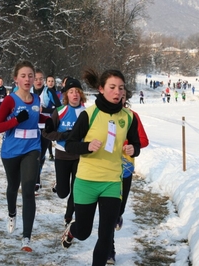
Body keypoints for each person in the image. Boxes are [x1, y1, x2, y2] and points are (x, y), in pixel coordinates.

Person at [61, 69, 141, 266]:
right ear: (101, 89)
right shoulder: (89, 114)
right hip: (86, 181)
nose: (117, 92)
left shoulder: (129, 117)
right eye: (112, 87)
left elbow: (137, 145)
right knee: (84, 232)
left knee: (105, 235)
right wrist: (86, 147)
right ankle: (73, 230)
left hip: (112, 182)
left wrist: (133, 149)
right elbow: (70, 144)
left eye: (121, 88)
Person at [0, 60, 54, 252]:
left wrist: (50, 121)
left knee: (28, 189)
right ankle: (12, 213)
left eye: (31, 76)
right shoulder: (11, 100)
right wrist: (15, 120)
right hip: (11, 151)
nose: (28, 79)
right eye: (24, 76)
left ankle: (26, 238)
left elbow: (37, 118)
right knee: (13, 186)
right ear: (16, 79)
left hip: (32, 148)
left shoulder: (36, 99)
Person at [107, 88, 149, 265]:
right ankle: (110, 251)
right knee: (108, 212)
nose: (119, 98)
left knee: (118, 208)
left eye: (123, 96)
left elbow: (143, 140)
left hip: (125, 168)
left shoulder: (132, 116)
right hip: (106, 169)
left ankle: (119, 215)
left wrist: (131, 145)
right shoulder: (102, 115)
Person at [42, 78, 87, 227]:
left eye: (77, 92)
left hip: (79, 156)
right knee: (62, 192)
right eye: (71, 92)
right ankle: (59, 184)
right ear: (66, 95)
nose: (75, 94)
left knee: (77, 188)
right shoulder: (59, 111)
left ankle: (69, 215)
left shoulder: (86, 113)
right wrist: (62, 136)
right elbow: (46, 133)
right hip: (62, 154)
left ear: (81, 95)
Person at [30, 69, 61, 191]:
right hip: (31, 126)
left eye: (40, 79)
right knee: (33, 154)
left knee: (40, 154)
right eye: (36, 79)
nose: (38, 81)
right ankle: (35, 180)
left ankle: (36, 180)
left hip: (46, 128)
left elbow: (60, 108)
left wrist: (46, 110)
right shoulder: (28, 91)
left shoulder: (49, 92)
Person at [45, 75, 57, 161]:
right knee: (48, 136)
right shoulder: (45, 92)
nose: (50, 83)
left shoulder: (57, 92)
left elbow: (58, 106)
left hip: (54, 115)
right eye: (49, 81)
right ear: (46, 82)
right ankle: (50, 154)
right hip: (46, 116)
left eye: (52, 81)